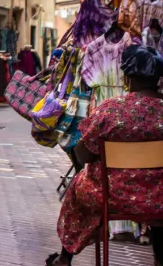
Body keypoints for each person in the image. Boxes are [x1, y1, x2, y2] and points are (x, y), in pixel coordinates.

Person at [46, 45, 163, 265]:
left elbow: (83, 156)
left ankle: (64, 259)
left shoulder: (111, 110)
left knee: (78, 188)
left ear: (127, 78)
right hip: (159, 197)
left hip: (112, 196)